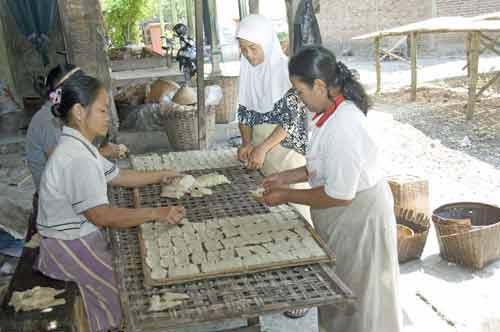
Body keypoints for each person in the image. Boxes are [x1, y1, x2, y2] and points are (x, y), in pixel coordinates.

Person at [258, 46, 402, 332]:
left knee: (361, 298)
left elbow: (339, 194)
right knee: (341, 290)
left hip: (360, 218)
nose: (299, 99)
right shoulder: (326, 112)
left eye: (300, 92)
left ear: (320, 86)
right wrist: (285, 177)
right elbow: (322, 165)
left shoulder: (344, 125)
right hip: (345, 214)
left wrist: (285, 195)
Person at [35, 74, 186, 332]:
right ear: (80, 112)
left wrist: (160, 175)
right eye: (103, 110)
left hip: (76, 236)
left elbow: (117, 175)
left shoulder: (80, 145)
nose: (109, 117)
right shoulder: (76, 158)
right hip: (69, 245)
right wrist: (156, 213)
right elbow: (101, 216)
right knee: (124, 293)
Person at [25, 64, 127, 239]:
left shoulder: (60, 118)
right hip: (56, 204)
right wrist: (102, 152)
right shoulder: (49, 122)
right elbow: (64, 165)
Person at [236, 15, 311, 220]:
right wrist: (247, 142)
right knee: (274, 208)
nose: (248, 54)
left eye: (253, 47)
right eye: (243, 49)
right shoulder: (247, 69)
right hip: (262, 151)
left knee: (296, 207)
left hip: (286, 152)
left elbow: (291, 118)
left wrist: (262, 147)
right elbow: (244, 111)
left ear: (266, 43)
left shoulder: (285, 70)